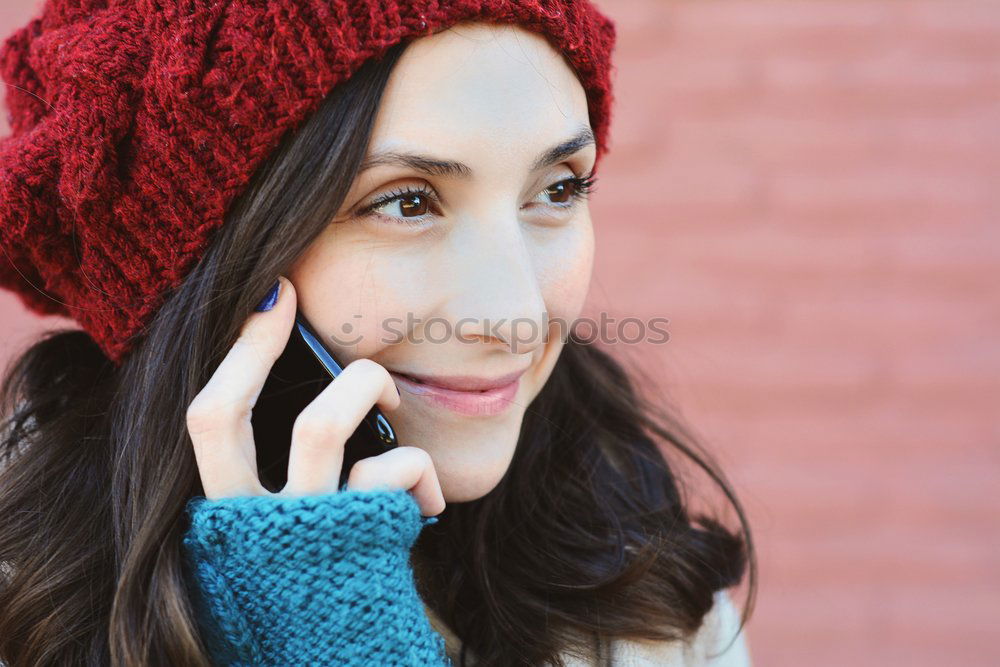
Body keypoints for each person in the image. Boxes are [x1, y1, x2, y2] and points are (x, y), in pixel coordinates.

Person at [0, 1, 756, 665]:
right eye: (405, 203)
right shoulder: (24, 617)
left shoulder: (647, 581)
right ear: (200, 270)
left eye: (558, 188)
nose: (518, 315)